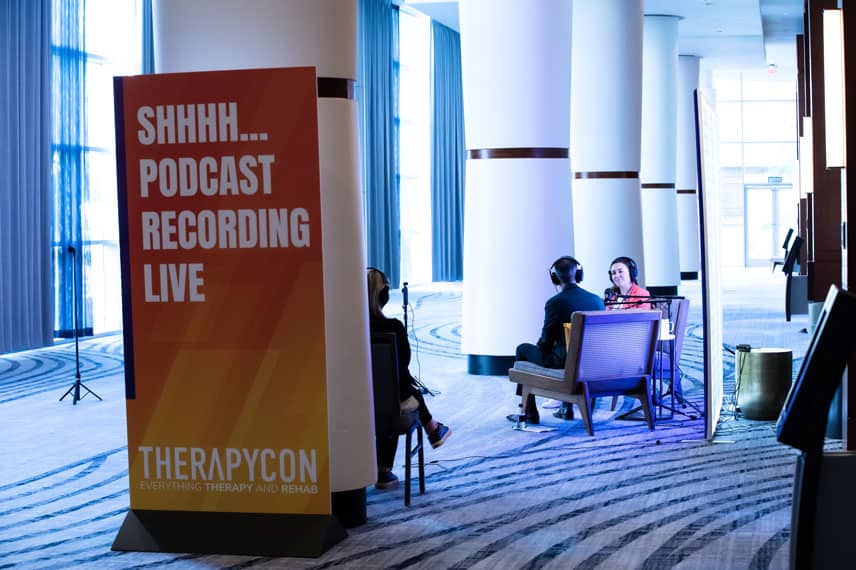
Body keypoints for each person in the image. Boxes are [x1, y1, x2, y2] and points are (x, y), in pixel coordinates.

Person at [367, 267, 451, 490]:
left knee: (389, 388)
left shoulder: (349, 329)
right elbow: (402, 367)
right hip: (389, 409)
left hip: (354, 407)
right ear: (384, 294)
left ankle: (432, 428)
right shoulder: (394, 327)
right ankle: (383, 470)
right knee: (395, 390)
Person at [509, 256, 605, 424]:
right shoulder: (596, 300)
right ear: (579, 275)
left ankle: (529, 411)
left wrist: (541, 351)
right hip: (592, 362)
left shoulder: (555, 303)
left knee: (522, 349)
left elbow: (546, 340)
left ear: (555, 278)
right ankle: (565, 408)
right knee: (564, 348)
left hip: (565, 363)